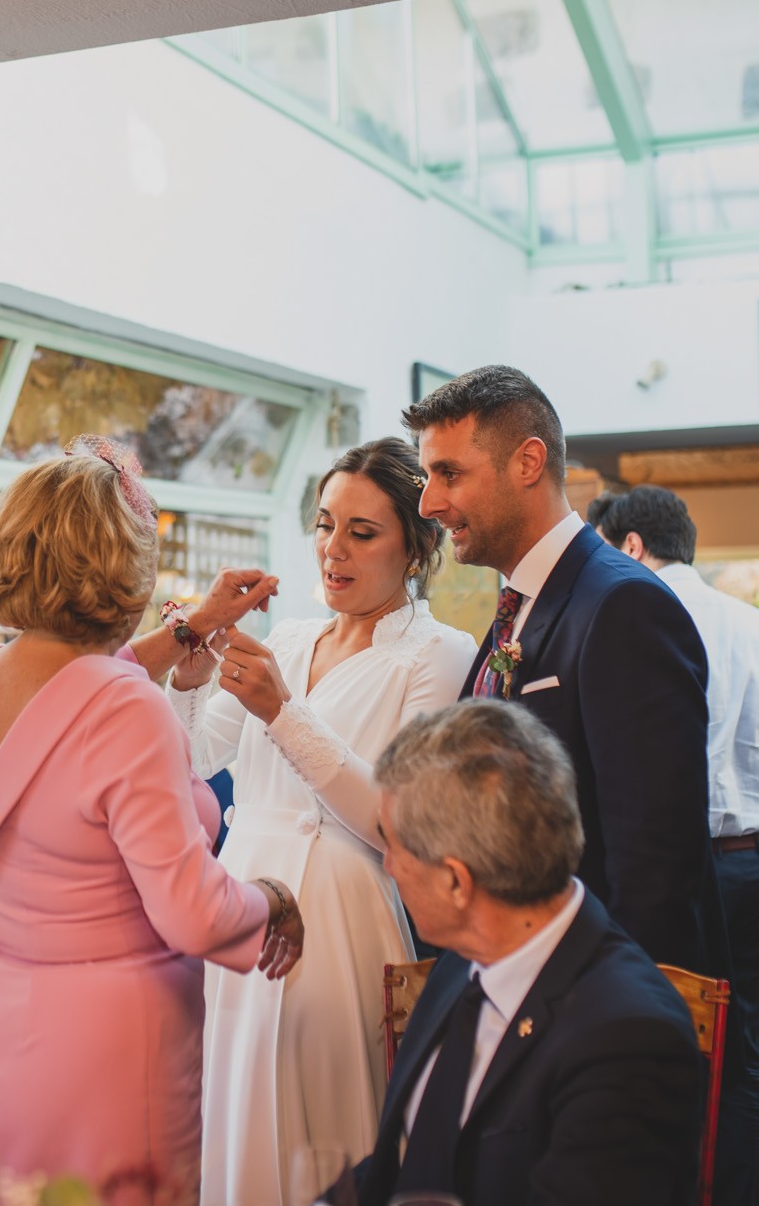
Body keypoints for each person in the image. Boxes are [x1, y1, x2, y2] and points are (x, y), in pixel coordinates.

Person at [0, 441, 306, 1199]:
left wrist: (190, 628)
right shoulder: (127, 707)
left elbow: (75, 691)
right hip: (101, 1046)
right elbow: (192, 912)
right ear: (122, 563)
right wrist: (274, 898)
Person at [168, 438, 476, 1206]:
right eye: (323, 524)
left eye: (362, 533)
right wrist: (189, 680)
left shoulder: (438, 653)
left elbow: (398, 818)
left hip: (340, 916)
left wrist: (282, 708)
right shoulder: (293, 637)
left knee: (322, 1138)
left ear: (416, 546)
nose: (332, 550)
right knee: (237, 1119)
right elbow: (193, 759)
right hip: (243, 904)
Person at [406, 365, 724, 975]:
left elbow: (656, 858)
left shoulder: (622, 605)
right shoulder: (522, 602)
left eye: (449, 473)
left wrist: (619, 1019)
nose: (429, 502)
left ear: (528, 463)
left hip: (588, 985)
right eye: (428, 476)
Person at [340, 699, 703, 1206]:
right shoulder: (461, 966)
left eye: (394, 846)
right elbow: (402, 1160)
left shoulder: (629, 1038)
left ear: (455, 881)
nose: (391, 866)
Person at [591, 485, 759, 1206]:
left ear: (629, 544)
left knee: (657, 1046)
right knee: (747, 1052)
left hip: (683, 869)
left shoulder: (632, 618)